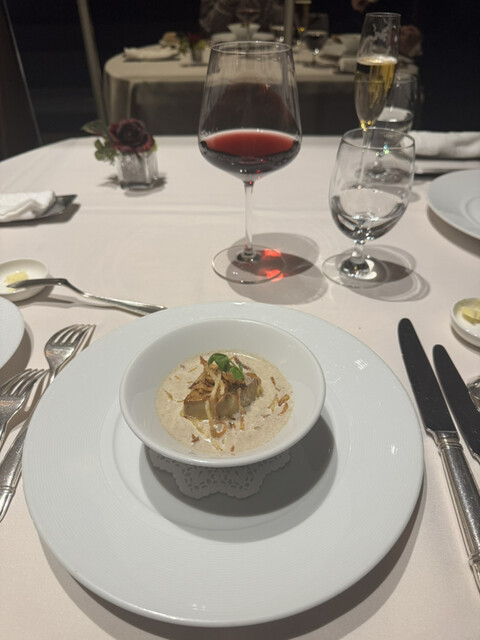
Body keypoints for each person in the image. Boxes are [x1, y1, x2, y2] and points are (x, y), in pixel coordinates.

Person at [199, 0, 284, 35]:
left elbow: (282, 23)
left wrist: (265, 4)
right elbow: (209, 26)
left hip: (264, 49)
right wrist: (228, 3)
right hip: (222, 49)